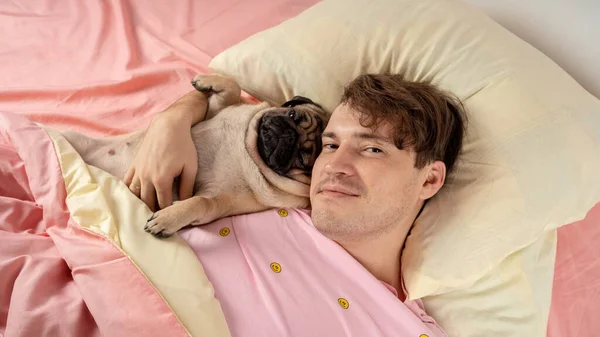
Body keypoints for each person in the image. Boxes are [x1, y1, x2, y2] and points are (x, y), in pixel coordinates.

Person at [126, 73, 466, 335]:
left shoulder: (407, 328)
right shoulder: (267, 187)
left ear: (429, 179)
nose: (333, 165)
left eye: (372, 149)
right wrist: (172, 121)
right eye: (331, 145)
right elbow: (224, 107)